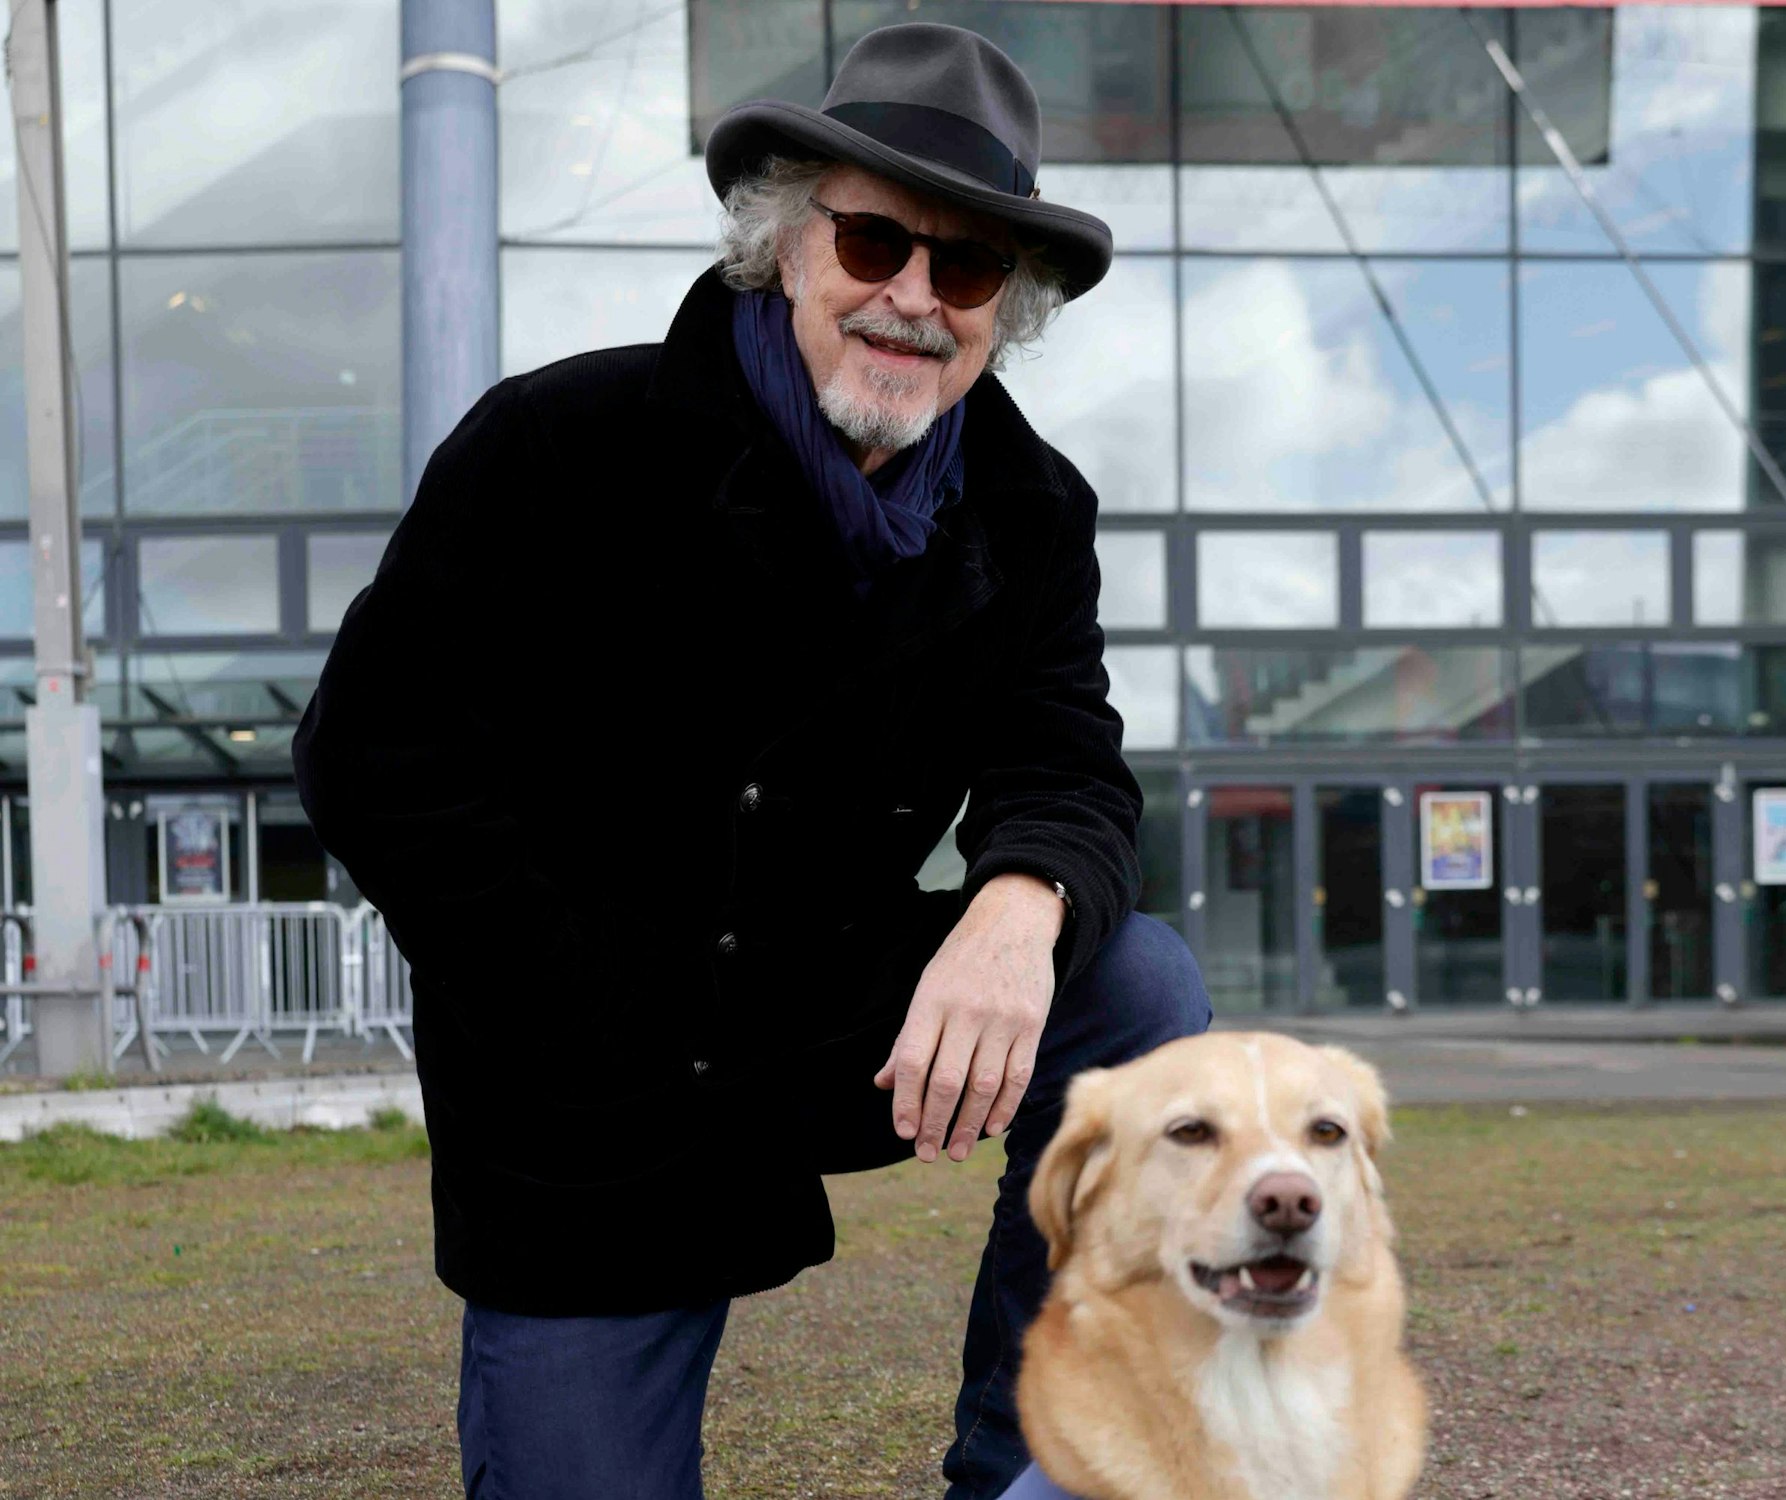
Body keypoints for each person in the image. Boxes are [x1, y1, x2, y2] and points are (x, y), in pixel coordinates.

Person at [292, 21, 1210, 1500]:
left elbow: (1069, 762)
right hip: (584, 1075)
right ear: (785, 244)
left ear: (1005, 307)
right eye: (873, 242)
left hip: (828, 1015)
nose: (912, 298)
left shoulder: (1031, 509)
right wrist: (575, 998)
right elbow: (375, 755)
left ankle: (1024, 1465)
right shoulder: (559, 442)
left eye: (967, 268)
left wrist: (1019, 904)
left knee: (1141, 988)